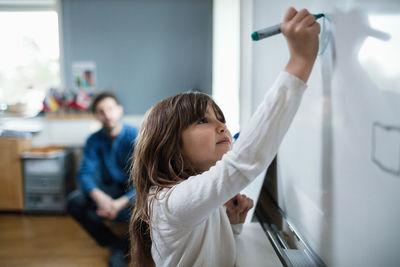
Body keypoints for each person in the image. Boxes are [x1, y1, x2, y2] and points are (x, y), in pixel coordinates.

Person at [129, 7, 320, 267]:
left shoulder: (193, 195)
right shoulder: (170, 201)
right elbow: (242, 162)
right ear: (170, 146)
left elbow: (210, 252)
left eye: (222, 119)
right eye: (202, 120)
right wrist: (300, 61)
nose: (222, 126)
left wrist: (232, 224)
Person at [67, 92, 139, 267]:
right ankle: (115, 245)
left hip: (136, 193)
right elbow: (84, 173)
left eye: (110, 109)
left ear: (120, 110)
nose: (107, 115)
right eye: (101, 111)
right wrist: (100, 197)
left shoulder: (137, 136)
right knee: (74, 201)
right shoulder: (93, 140)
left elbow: (148, 180)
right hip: (109, 191)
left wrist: (121, 203)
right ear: (96, 116)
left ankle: (133, 246)